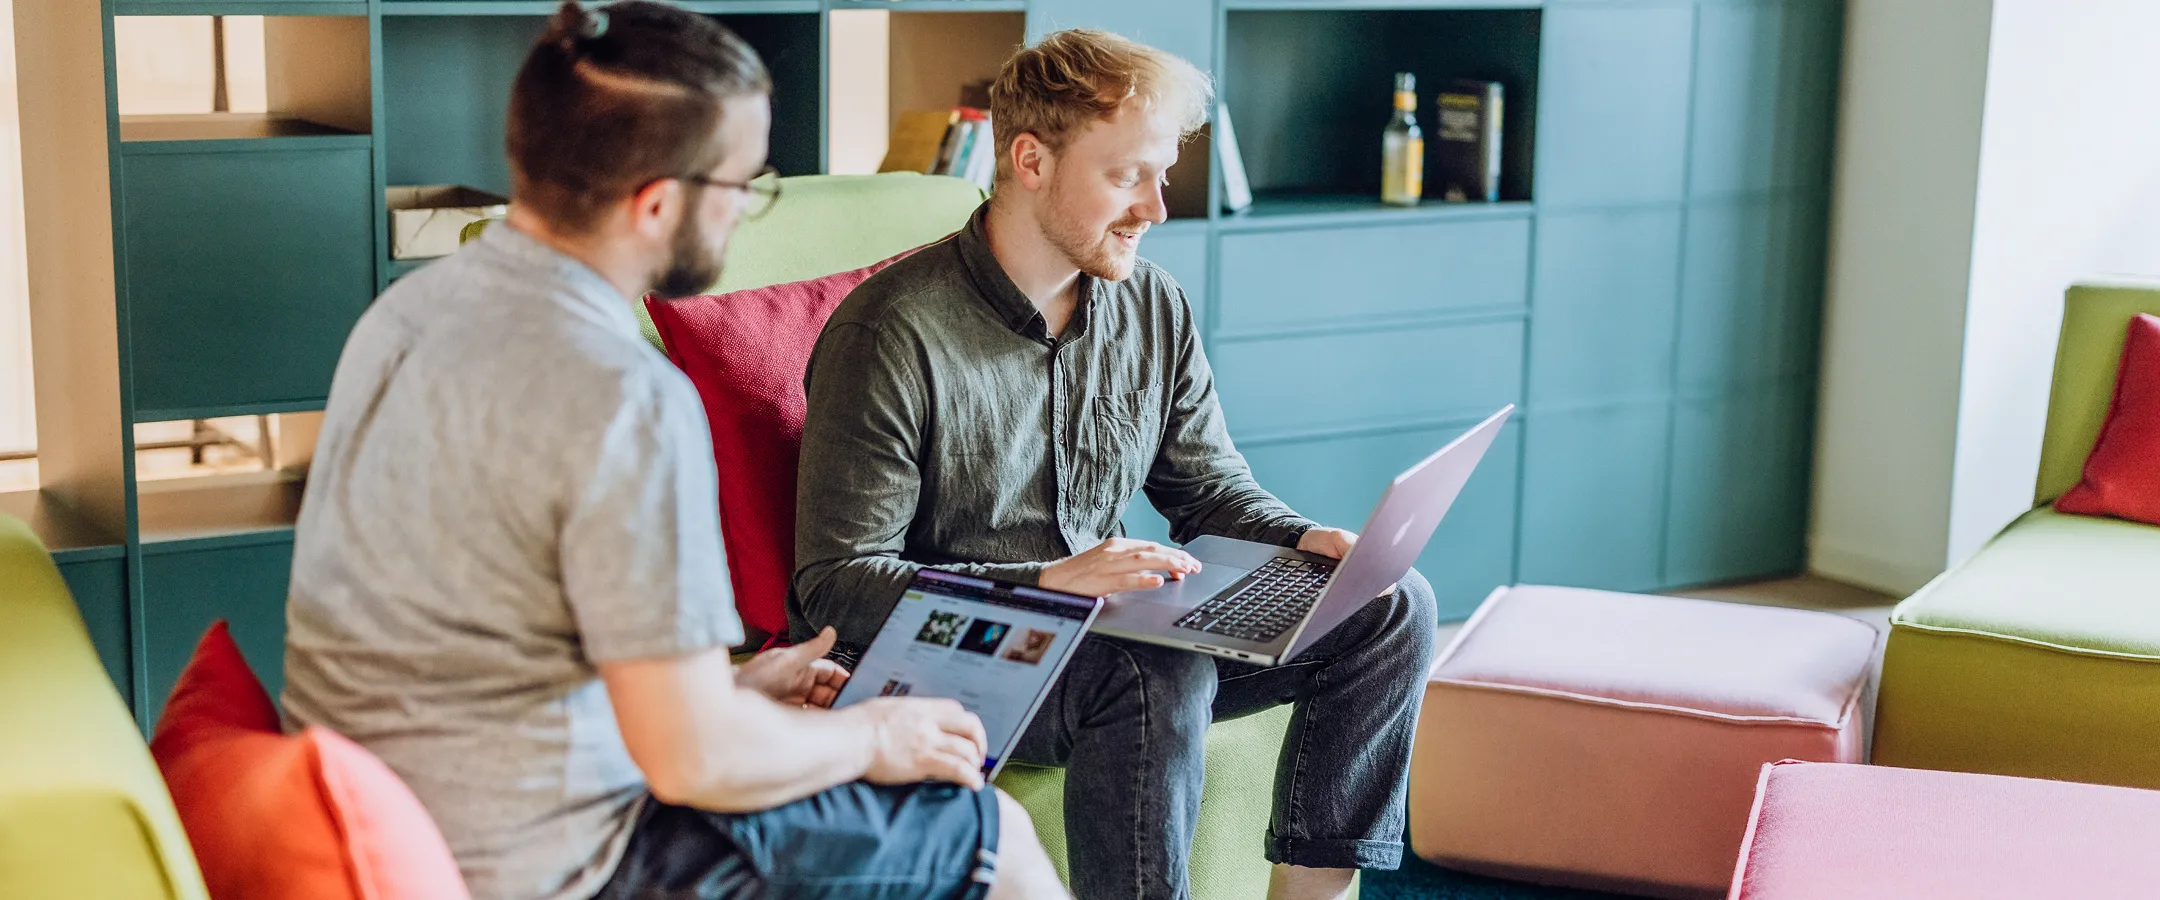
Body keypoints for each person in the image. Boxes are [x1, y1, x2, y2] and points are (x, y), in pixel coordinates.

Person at [281, 3, 1065, 898]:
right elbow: (696, 765)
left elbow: (486, 665)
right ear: (657, 203)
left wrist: (731, 691)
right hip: (556, 860)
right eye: (741, 187)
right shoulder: (620, 393)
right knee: (988, 828)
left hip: (424, 796)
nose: (744, 211)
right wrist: (874, 738)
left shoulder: (408, 314)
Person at [792, 28, 1439, 900]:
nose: (1156, 208)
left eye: (1160, 174)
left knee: (1390, 603)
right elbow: (836, 580)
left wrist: (1308, 542)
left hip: (1106, 623)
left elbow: (1207, 490)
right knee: (1150, 669)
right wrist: (1049, 582)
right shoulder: (892, 332)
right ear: (1029, 160)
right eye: (1127, 176)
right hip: (954, 647)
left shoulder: (1152, 304)